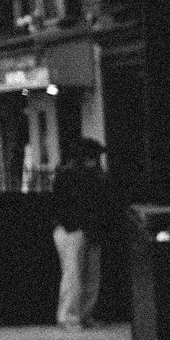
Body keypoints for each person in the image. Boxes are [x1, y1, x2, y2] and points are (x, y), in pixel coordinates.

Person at [50, 138, 115, 330]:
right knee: (75, 274)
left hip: (81, 229)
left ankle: (82, 315)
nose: (95, 161)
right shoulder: (70, 175)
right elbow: (67, 205)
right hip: (76, 229)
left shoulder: (78, 175)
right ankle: (69, 316)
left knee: (86, 275)